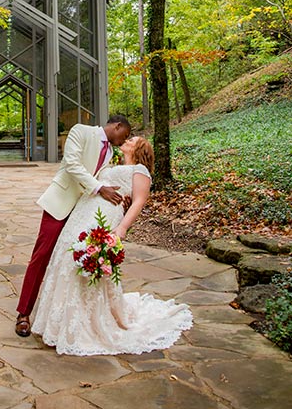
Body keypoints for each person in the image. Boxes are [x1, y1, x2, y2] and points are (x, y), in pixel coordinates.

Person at [31, 136, 193, 355]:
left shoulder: (140, 170)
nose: (128, 139)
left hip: (104, 216)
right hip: (83, 212)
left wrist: (122, 228)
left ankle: (86, 323)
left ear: (141, 148)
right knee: (66, 256)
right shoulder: (112, 164)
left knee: (84, 260)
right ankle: (59, 323)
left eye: (133, 139)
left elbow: (138, 201)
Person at [15, 114, 132, 337]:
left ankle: (62, 319)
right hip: (60, 203)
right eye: (123, 135)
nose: (122, 141)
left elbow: (106, 179)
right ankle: (23, 313)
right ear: (117, 126)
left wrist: (122, 195)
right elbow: (72, 164)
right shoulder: (80, 131)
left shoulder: (109, 153)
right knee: (41, 257)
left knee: (70, 262)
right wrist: (99, 189)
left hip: (82, 211)